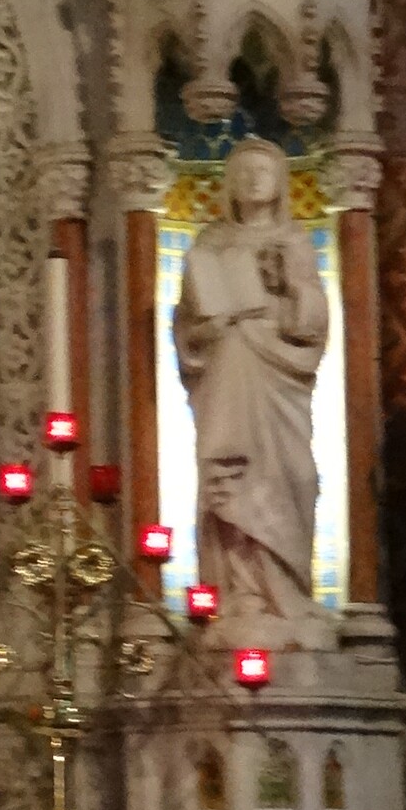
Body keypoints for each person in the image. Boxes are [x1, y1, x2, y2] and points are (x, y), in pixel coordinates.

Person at [173, 137, 330, 633]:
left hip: (280, 377)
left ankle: (289, 592)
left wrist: (287, 287)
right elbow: (187, 330)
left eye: (263, 172)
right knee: (230, 478)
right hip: (226, 373)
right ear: (228, 185)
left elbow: (313, 324)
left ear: (281, 183)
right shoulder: (210, 244)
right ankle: (240, 593)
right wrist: (208, 328)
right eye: (242, 173)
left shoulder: (294, 242)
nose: (253, 181)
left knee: (295, 476)